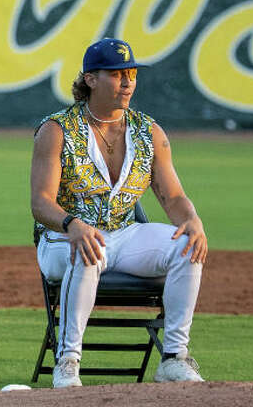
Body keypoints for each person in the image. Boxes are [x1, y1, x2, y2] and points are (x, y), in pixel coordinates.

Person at [30, 38, 207, 388]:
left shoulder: (148, 131)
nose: (127, 82)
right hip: (61, 238)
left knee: (186, 246)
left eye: (131, 74)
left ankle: (173, 358)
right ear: (91, 79)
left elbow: (172, 196)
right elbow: (40, 202)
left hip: (124, 234)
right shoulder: (56, 130)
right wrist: (71, 223)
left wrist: (192, 218)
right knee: (88, 249)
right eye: (116, 74)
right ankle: (67, 361)